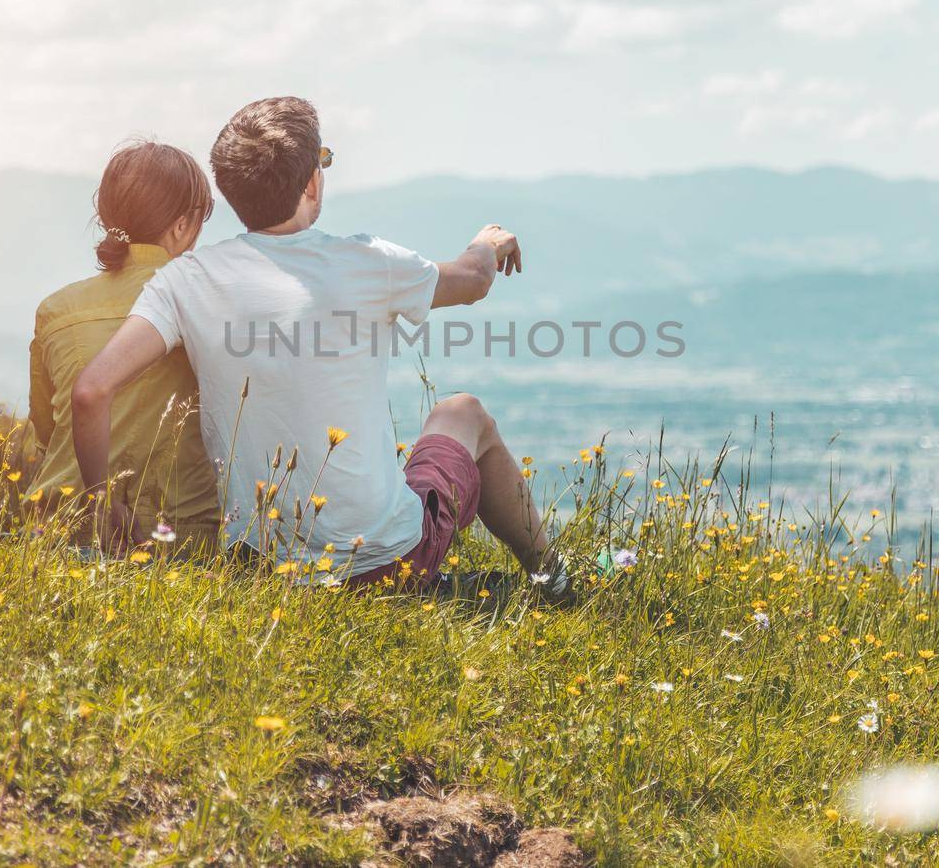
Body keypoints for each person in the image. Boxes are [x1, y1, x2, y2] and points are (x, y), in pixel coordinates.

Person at [70, 97, 570, 598]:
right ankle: (555, 578)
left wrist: (101, 502)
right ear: (311, 181)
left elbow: (91, 389)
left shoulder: (184, 280)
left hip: (260, 570)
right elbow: (474, 279)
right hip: (387, 562)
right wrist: (488, 241)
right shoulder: (366, 261)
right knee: (464, 412)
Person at [27, 140, 219, 554]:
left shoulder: (56, 310)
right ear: (183, 226)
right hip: (175, 536)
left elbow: (47, 429)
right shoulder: (206, 304)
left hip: (58, 531)